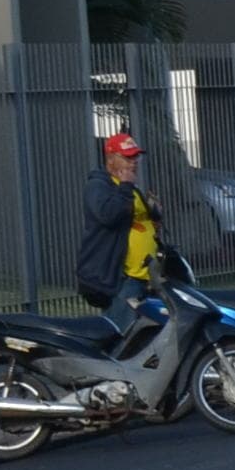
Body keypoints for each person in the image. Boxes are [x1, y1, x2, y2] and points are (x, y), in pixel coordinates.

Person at [75, 132, 162, 330]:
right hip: (122, 276)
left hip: (145, 274)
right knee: (121, 331)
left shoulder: (129, 187)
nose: (134, 162)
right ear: (111, 159)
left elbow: (137, 218)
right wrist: (126, 186)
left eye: (135, 157)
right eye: (128, 157)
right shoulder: (99, 186)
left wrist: (154, 214)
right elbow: (109, 215)